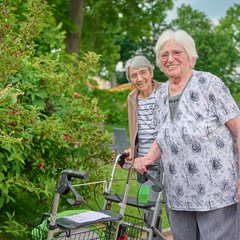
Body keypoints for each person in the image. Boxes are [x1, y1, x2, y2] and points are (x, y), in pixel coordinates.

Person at [133, 29, 240, 240]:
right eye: (164, 55)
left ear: (191, 57)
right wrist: (147, 157)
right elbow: (162, 136)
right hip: (178, 194)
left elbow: (238, 129)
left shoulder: (209, 84)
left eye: (176, 53)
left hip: (216, 192)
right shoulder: (161, 94)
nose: (170, 59)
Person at [123, 55, 168, 239]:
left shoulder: (166, 91)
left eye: (142, 72)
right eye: (134, 75)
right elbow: (136, 129)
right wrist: (131, 150)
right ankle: (154, 237)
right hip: (143, 164)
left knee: (174, 207)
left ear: (151, 72)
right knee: (146, 206)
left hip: (166, 160)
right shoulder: (132, 97)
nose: (139, 79)